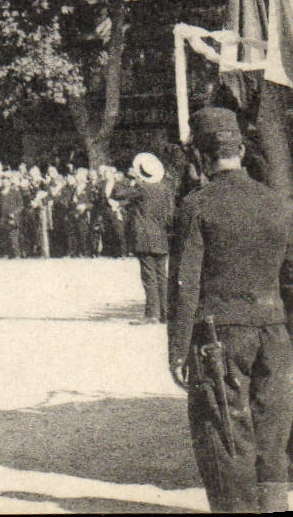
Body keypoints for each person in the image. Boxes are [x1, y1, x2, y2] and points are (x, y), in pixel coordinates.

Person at [169, 107, 293, 513]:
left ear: (201, 156)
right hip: (273, 332)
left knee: (224, 430)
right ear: (240, 148)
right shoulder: (277, 203)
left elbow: (185, 284)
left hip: (219, 335)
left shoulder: (197, 205)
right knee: (272, 428)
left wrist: (177, 348)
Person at [112, 152, 175, 324]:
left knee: (149, 276)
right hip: (160, 235)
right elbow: (170, 214)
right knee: (162, 276)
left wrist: (127, 179)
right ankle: (165, 313)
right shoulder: (165, 189)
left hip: (144, 236)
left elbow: (117, 194)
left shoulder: (141, 188)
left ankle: (151, 314)